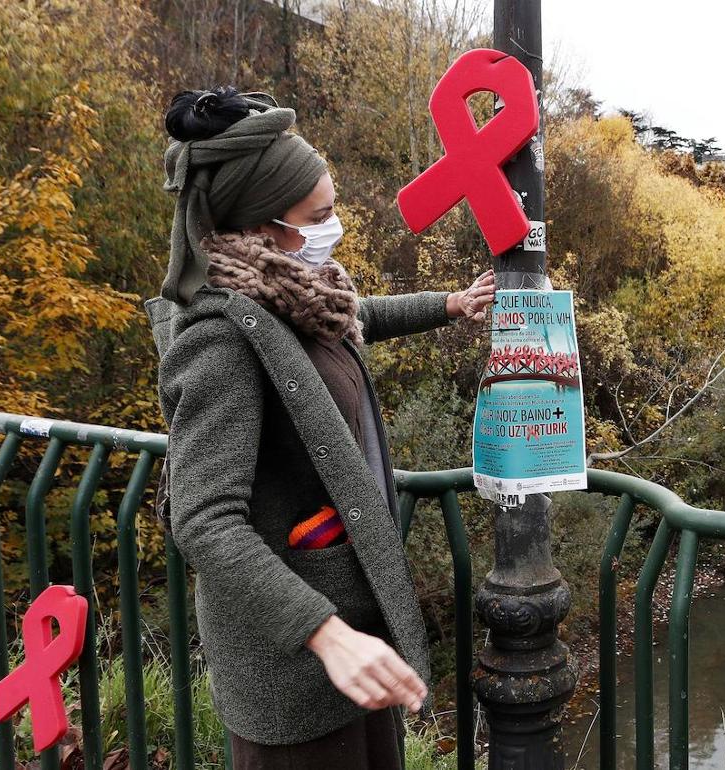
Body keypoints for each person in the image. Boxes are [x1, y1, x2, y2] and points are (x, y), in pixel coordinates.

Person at [145, 86, 495, 770]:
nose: (336, 229)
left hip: (350, 648)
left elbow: (357, 319)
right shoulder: (222, 339)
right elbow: (204, 520)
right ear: (265, 227)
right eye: (323, 215)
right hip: (298, 670)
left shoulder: (294, 296)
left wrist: (449, 304)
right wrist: (325, 635)